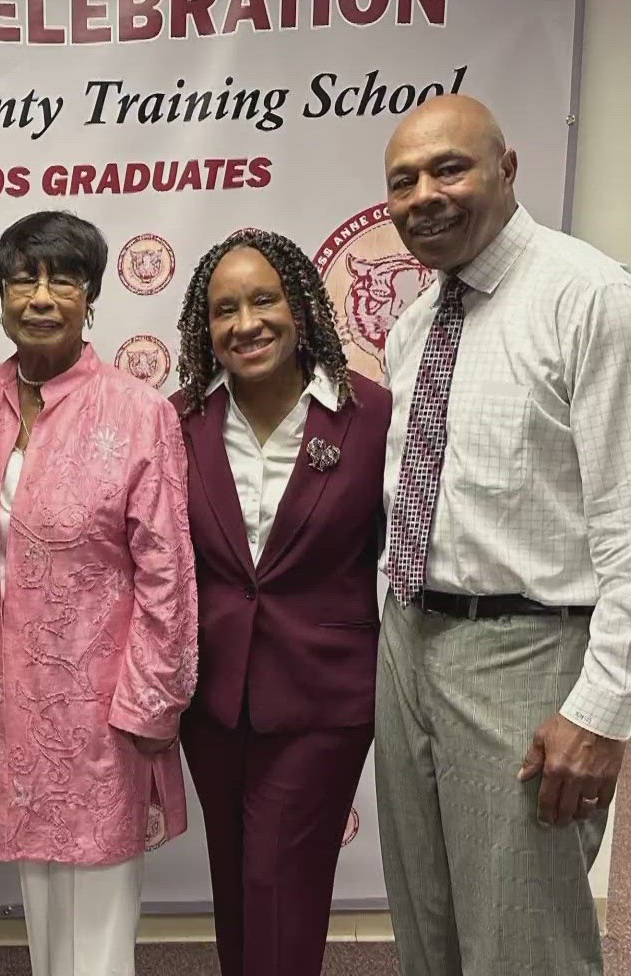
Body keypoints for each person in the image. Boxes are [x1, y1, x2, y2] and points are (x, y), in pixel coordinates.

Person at [374, 95, 631, 974]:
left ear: (508, 168)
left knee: (524, 941)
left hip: (526, 654)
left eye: (450, 168)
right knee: (429, 922)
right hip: (411, 640)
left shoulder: (590, 301)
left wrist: (603, 710)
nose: (424, 196)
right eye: (403, 181)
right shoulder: (417, 327)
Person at [0, 210, 198, 976]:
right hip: (9, 701)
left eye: (63, 277)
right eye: (23, 277)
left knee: (95, 919)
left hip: (102, 712)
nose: (41, 295)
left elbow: (168, 570)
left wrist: (153, 702)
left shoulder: (137, 410)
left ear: (90, 294)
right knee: (41, 901)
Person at [169, 229, 391, 976]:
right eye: (224, 309)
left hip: (323, 693)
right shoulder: (178, 423)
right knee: (236, 880)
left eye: (263, 300)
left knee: (279, 880)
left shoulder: (371, 417)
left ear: (300, 307)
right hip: (213, 696)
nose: (245, 324)